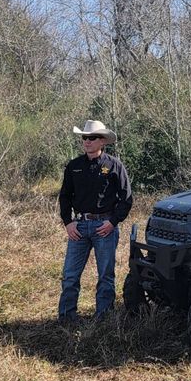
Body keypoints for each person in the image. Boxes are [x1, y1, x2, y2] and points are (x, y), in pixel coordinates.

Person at [57, 119, 133, 323]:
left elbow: (126, 199)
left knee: (106, 276)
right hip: (79, 227)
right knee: (70, 275)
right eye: (84, 138)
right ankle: (66, 317)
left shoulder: (114, 165)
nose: (87, 141)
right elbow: (64, 196)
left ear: (102, 141)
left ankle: (104, 318)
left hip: (104, 227)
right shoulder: (74, 166)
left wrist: (113, 222)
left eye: (92, 138)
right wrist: (68, 222)